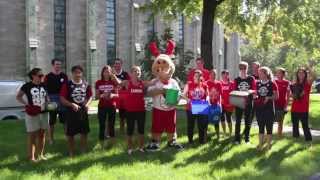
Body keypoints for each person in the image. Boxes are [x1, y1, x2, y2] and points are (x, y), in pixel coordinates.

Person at [16, 68, 49, 162]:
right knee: (32, 135)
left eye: (42, 75)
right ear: (33, 76)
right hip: (32, 113)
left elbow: (46, 96)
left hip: (44, 113)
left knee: (42, 134)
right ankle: (32, 157)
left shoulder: (44, 85)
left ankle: (41, 155)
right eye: (40, 75)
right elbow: (18, 96)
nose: (42, 77)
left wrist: (48, 102)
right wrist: (26, 104)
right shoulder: (26, 86)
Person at [60, 65, 93, 157]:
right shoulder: (67, 84)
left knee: (84, 132)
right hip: (71, 112)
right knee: (70, 133)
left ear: (82, 73)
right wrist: (71, 104)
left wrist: (87, 105)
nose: (78, 74)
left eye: (79, 72)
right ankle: (71, 151)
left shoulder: (86, 84)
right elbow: (62, 98)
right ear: (72, 73)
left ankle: (83, 150)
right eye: (76, 73)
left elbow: (90, 96)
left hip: (83, 111)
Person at [121, 66, 152, 154]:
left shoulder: (143, 83)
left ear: (140, 73)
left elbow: (153, 83)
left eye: (138, 71)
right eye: (135, 71)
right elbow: (118, 83)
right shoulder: (127, 83)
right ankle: (130, 148)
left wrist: (161, 74)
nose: (137, 73)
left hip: (141, 110)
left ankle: (141, 147)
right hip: (130, 110)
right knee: (129, 130)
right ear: (131, 73)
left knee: (141, 130)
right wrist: (113, 75)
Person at [44, 58, 68, 145]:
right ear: (53, 65)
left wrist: (66, 99)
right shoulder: (47, 76)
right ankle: (51, 139)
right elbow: (45, 89)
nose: (58, 66)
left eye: (59, 64)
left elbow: (67, 89)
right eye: (56, 64)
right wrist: (47, 99)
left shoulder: (64, 76)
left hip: (62, 99)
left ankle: (67, 137)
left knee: (65, 120)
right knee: (51, 121)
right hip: (51, 99)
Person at [95, 65, 120, 148]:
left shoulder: (113, 82)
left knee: (111, 125)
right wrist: (103, 95)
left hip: (111, 106)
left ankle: (112, 143)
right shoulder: (98, 82)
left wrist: (112, 95)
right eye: (105, 71)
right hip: (102, 106)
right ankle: (101, 143)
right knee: (102, 125)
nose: (107, 73)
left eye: (108, 72)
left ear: (110, 73)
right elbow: (97, 96)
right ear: (102, 73)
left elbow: (117, 95)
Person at [254, 67, 278, 151]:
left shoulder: (272, 84)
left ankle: (268, 146)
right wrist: (255, 96)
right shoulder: (257, 83)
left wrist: (269, 98)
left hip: (269, 109)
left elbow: (276, 96)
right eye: (259, 73)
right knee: (261, 127)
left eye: (260, 73)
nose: (259, 75)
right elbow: (256, 94)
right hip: (259, 109)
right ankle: (260, 145)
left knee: (269, 128)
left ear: (265, 74)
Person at [290, 67, 316, 144]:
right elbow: (292, 96)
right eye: (299, 73)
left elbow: (314, 76)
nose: (300, 74)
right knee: (295, 126)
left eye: (302, 73)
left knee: (305, 126)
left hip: (304, 109)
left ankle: (309, 142)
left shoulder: (307, 83)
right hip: (294, 108)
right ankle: (296, 141)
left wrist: (309, 68)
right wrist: (294, 96)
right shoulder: (294, 84)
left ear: (305, 74)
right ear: (297, 74)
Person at [182, 70, 209, 144]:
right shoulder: (189, 84)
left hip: (201, 106)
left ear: (201, 77)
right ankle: (190, 141)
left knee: (201, 125)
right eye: (195, 76)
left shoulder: (204, 85)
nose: (196, 77)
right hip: (191, 107)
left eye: (198, 76)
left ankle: (201, 141)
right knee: (191, 125)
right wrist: (188, 99)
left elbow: (207, 95)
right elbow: (183, 94)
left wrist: (206, 100)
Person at [233, 61, 256, 144]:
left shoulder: (251, 79)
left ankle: (247, 139)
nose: (243, 70)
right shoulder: (236, 79)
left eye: (244, 68)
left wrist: (250, 91)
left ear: (247, 69)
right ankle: (237, 139)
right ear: (239, 69)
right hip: (239, 102)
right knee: (238, 121)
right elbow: (235, 91)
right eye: (241, 68)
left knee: (247, 121)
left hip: (249, 102)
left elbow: (254, 90)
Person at [113, 58, 130, 133]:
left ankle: (125, 129)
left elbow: (124, 83)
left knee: (124, 114)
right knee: (114, 114)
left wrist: (115, 78)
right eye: (116, 63)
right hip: (114, 96)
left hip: (124, 97)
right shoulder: (111, 75)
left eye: (118, 63)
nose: (117, 65)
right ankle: (114, 130)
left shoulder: (125, 74)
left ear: (121, 64)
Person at [206, 69, 222, 140]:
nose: (213, 76)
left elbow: (220, 95)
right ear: (209, 75)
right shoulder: (206, 83)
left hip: (216, 105)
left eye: (214, 74)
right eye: (212, 74)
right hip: (208, 105)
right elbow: (205, 94)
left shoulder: (218, 83)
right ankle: (205, 136)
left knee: (216, 120)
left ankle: (218, 135)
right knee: (205, 121)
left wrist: (220, 104)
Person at [274, 67, 290, 137]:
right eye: (277, 73)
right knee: (271, 120)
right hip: (274, 104)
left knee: (280, 121)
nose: (277, 74)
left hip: (282, 104)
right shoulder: (274, 82)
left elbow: (288, 95)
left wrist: (286, 105)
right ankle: (269, 135)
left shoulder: (287, 83)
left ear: (283, 74)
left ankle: (279, 135)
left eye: (279, 73)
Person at [220, 70, 234, 136]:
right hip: (221, 104)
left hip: (229, 104)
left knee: (228, 118)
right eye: (224, 75)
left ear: (228, 75)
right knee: (222, 118)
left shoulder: (232, 83)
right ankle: (224, 132)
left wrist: (232, 103)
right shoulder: (219, 83)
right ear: (221, 75)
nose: (225, 76)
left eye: (226, 75)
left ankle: (231, 132)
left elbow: (234, 94)